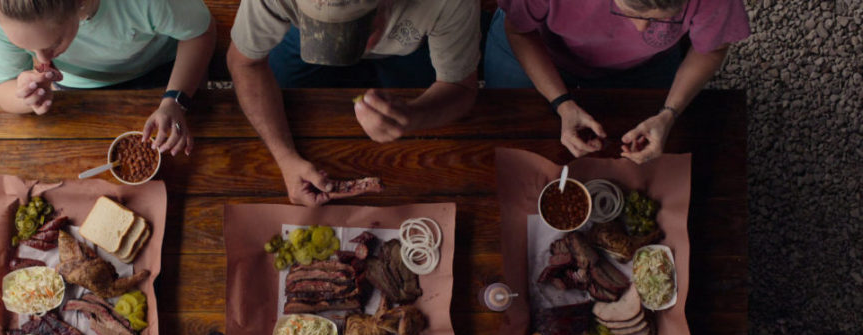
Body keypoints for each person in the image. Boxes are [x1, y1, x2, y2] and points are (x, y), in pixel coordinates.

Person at [227, 0, 481, 205]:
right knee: (293, 107)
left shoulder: (450, 3)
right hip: (297, 34)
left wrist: (413, 115)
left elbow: (460, 85)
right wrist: (285, 158)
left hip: (412, 45)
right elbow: (245, 63)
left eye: (363, 29)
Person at [484, 0, 750, 164]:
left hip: (644, 64)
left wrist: (668, 114)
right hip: (536, 44)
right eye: (632, 11)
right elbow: (518, 31)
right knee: (507, 141)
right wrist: (562, 103)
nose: (642, 29)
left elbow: (712, 48)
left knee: (645, 156)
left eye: (661, 19)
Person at [0, 0, 217, 156]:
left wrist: (175, 100)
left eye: (53, 44)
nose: (41, 60)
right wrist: (27, 97)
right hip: (79, 89)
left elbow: (200, 32)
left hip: (165, 69)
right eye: (27, 49)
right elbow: (2, 85)